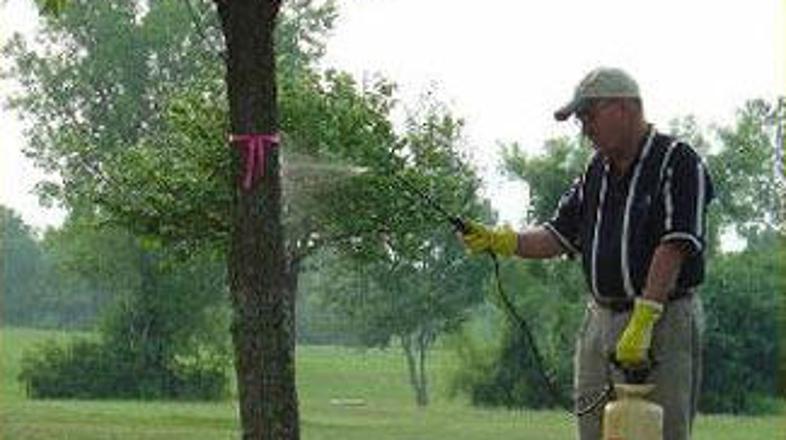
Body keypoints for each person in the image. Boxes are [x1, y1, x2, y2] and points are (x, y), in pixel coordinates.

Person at [461, 67, 713, 440]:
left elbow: (674, 244)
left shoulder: (677, 160)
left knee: (659, 432)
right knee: (594, 431)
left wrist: (644, 318)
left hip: (663, 320)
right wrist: (504, 240)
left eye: (589, 115)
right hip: (599, 320)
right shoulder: (596, 171)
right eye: (581, 119)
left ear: (625, 108)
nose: (584, 128)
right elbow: (558, 235)